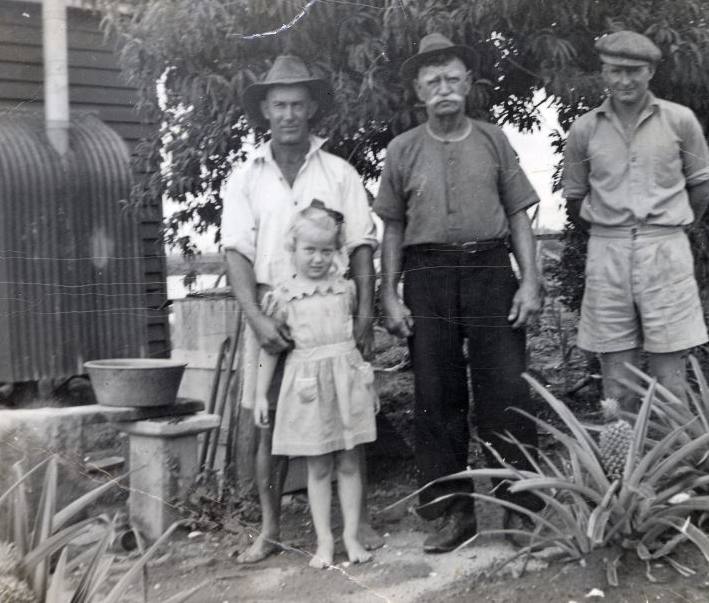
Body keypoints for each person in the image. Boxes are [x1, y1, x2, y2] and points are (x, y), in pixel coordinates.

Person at [374, 33, 545, 553]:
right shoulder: (402, 150)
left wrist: (531, 281)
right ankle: (454, 513)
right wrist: (390, 293)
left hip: (491, 271)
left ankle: (519, 510)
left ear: (468, 85)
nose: (443, 89)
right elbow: (392, 230)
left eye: (452, 79)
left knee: (506, 393)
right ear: (418, 90)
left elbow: (519, 216)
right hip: (427, 279)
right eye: (433, 81)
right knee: (436, 398)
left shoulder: (494, 140)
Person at [221, 54, 381, 563]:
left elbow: (359, 246)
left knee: (345, 410)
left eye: (297, 104)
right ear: (265, 109)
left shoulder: (339, 173)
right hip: (273, 305)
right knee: (265, 420)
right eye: (278, 105)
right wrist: (256, 318)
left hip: (332, 311)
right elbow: (235, 252)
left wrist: (363, 316)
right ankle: (268, 528)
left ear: (311, 108)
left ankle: (357, 525)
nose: (288, 114)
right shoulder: (246, 177)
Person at [561, 31, 709, 409]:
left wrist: (664, 231)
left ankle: (681, 462)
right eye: (615, 71)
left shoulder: (680, 121)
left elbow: (701, 190)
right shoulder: (584, 129)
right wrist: (613, 231)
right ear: (603, 72)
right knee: (617, 378)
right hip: (607, 251)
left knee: (671, 375)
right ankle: (625, 466)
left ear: (650, 73)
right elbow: (576, 198)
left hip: (665, 248)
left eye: (634, 71)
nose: (624, 81)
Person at [253, 205, 378, 568]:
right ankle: (324, 542)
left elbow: (357, 336)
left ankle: (351, 537)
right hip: (308, 390)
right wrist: (261, 393)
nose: (319, 259)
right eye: (310, 250)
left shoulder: (346, 290)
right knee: (318, 466)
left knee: (351, 462)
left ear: (337, 251)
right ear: (293, 248)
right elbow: (269, 350)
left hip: (346, 383)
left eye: (327, 251)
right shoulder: (284, 297)